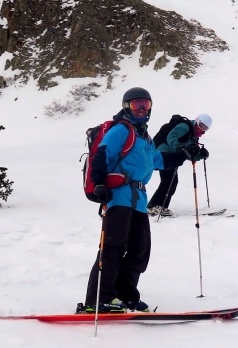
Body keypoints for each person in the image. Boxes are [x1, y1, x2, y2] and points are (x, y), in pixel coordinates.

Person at [79, 88, 207, 314]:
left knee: (140, 250)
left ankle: (125, 295)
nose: (140, 109)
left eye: (145, 105)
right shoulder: (121, 130)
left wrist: (186, 155)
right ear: (126, 106)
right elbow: (101, 155)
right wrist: (99, 184)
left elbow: (159, 161)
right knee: (113, 247)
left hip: (138, 201)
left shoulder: (145, 138)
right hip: (118, 196)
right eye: (136, 104)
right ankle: (99, 299)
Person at [147, 113, 212, 217]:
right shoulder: (185, 127)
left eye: (205, 128)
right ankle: (155, 206)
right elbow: (171, 136)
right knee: (169, 179)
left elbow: (190, 155)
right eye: (201, 125)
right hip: (164, 153)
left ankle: (157, 206)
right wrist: (180, 148)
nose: (202, 129)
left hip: (173, 156)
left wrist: (200, 155)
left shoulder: (194, 137)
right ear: (197, 121)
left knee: (171, 180)